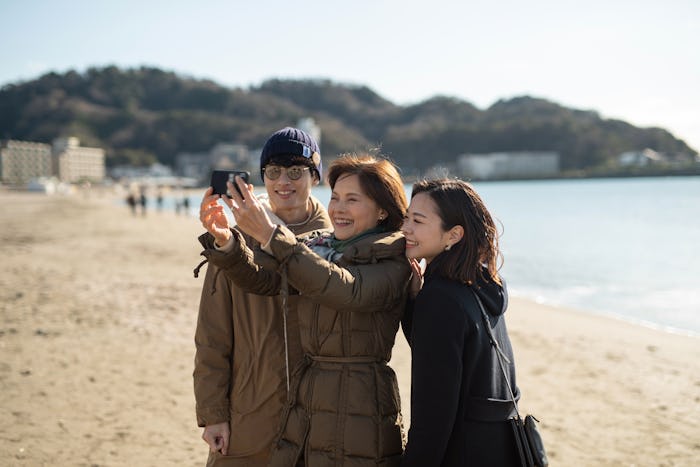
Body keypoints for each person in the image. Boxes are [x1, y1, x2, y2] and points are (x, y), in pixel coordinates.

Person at [199, 154, 411, 466]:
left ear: (382, 210)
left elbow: (344, 289)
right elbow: (266, 281)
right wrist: (226, 242)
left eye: (352, 199)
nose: (338, 209)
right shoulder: (323, 245)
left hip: (360, 406)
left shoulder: (394, 259)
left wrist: (272, 235)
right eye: (336, 197)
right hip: (308, 404)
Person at [193, 127, 332, 466]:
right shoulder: (232, 242)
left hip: (322, 415)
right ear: (262, 178)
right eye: (273, 171)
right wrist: (213, 413)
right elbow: (212, 336)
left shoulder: (335, 243)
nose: (284, 181)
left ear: (315, 176)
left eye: (296, 171)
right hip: (250, 413)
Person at [399, 178, 521, 466]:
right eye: (406, 218)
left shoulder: (441, 299)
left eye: (418, 220)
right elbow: (449, 364)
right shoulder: (485, 284)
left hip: (463, 452)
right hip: (501, 447)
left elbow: (434, 413)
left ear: (453, 235)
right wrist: (415, 305)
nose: (405, 228)